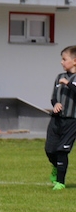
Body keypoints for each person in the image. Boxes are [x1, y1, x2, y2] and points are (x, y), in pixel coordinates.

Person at [44, 45, 76, 191]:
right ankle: (56, 167)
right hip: (56, 120)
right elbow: (53, 97)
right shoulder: (59, 77)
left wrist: (68, 84)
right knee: (50, 150)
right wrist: (56, 103)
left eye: (64, 59)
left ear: (74, 61)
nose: (61, 62)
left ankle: (60, 182)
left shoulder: (70, 80)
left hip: (72, 121)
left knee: (62, 150)